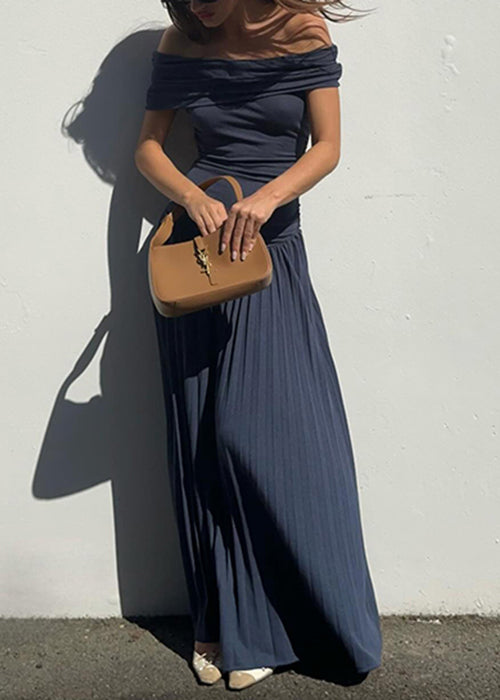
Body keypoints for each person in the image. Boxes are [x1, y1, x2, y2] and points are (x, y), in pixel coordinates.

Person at [135, 0, 382, 691]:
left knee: (255, 434)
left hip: (269, 255)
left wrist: (268, 198)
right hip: (195, 258)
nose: (198, 6)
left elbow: (327, 147)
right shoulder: (182, 39)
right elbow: (148, 148)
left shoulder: (303, 30)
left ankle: (277, 626)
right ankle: (217, 621)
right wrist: (191, 196)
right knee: (202, 439)